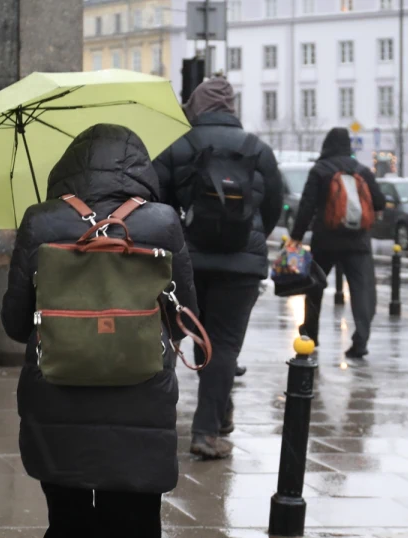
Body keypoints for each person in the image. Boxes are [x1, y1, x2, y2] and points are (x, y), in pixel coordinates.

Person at [1, 123, 198, 538]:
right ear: (138, 168)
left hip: (58, 413)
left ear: (69, 167)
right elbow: (187, 318)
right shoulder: (164, 224)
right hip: (138, 416)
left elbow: (10, 323)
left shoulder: (41, 219)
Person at [154, 77, 283, 459]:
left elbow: (157, 202)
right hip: (240, 266)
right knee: (223, 346)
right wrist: (249, 236)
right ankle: (207, 431)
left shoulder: (177, 145)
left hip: (186, 260)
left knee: (174, 337)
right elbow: (274, 204)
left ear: (194, 106)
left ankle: (158, 421)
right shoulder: (257, 149)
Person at [289, 127, 386, 360]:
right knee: (362, 292)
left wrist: (296, 237)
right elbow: (380, 201)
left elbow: (306, 206)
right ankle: (360, 342)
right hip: (358, 242)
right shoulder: (361, 170)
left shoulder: (320, 170)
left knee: (315, 287)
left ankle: (310, 335)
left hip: (326, 239)